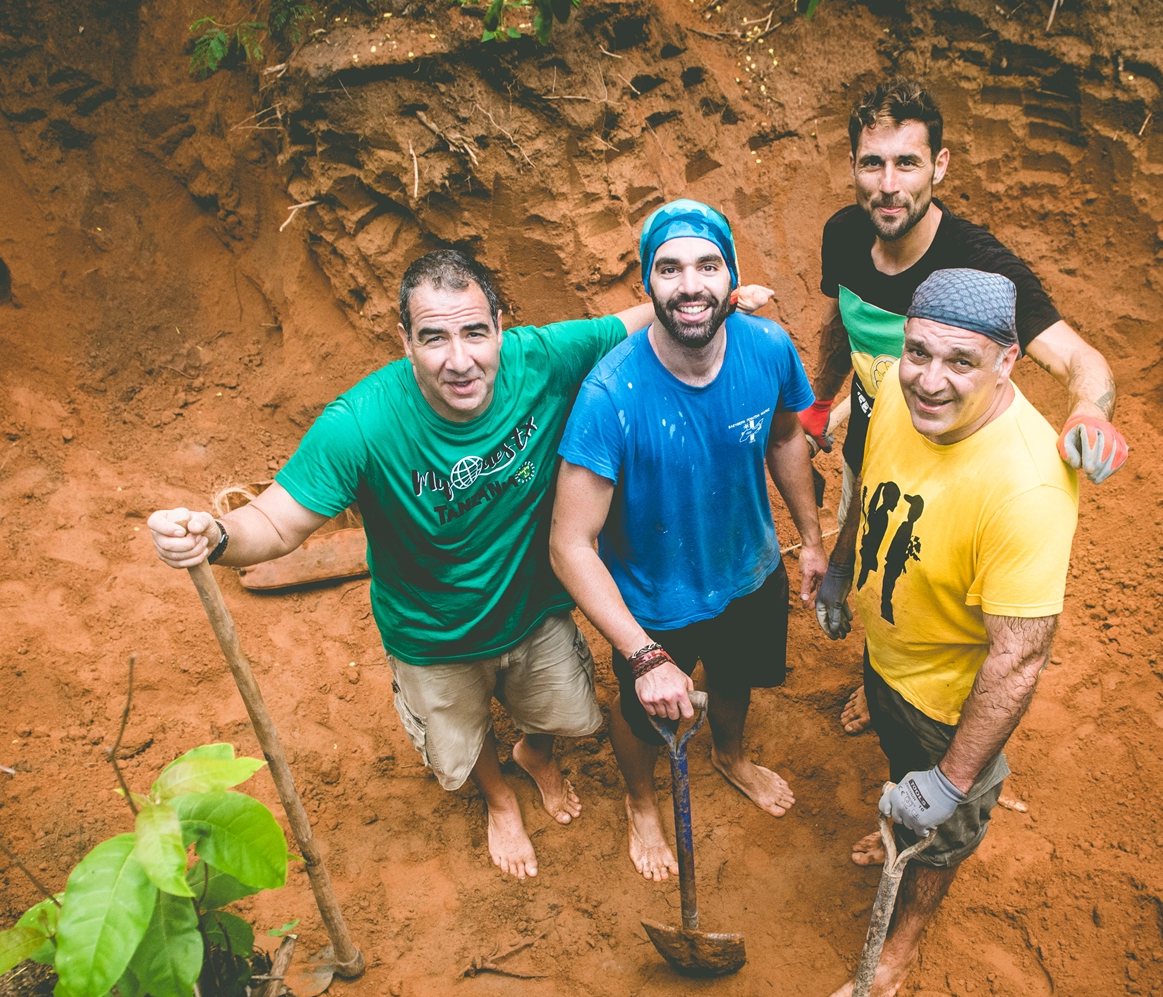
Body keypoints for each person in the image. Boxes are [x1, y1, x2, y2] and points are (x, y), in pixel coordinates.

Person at [147, 250, 667, 881]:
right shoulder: (360, 425)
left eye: (475, 332)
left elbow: (631, 321)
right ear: (405, 342)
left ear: (500, 326)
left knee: (553, 709)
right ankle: (499, 799)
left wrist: (711, 300)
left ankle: (535, 753)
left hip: (535, 608)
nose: (459, 359)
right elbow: (278, 523)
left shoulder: (541, 358)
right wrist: (218, 536)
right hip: (432, 634)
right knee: (464, 733)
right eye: (434, 338)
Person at [805, 79, 1126, 733]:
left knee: (920, 582)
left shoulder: (980, 267)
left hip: (953, 459)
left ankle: (899, 684)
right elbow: (842, 322)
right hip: (873, 420)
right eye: (873, 163)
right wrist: (821, 398)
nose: (888, 184)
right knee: (863, 532)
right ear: (853, 167)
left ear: (939, 166)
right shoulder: (843, 234)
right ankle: (870, 642)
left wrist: (1091, 409)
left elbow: (1081, 361)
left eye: (908, 162)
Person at [820, 268, 1079, 997]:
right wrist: (842, 565)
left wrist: (953, 781)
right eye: (918, 352)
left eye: (960, 361)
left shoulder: (1026, 486)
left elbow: (1018, 656)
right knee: (900, 774)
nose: (929, 381)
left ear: (1008, 362)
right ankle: (898, 816)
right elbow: (868, 481)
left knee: (942, 831)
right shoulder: (899, 393)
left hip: (951, 705)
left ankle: (897, 950)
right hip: (888, 658)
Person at [551, 200, 829, 882]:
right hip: (654, 597)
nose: (690, 284)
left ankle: (730, 757)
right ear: (649, 284)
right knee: (643, 715)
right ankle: (640, 801)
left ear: (730, 275)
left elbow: (788, 437)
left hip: (750, 567)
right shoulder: (610, 394)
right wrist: (644, 656)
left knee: (736, 677)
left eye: (708, 264)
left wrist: (813, 538)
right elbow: (570, 545)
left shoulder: (768, 348)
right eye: (669, 268)